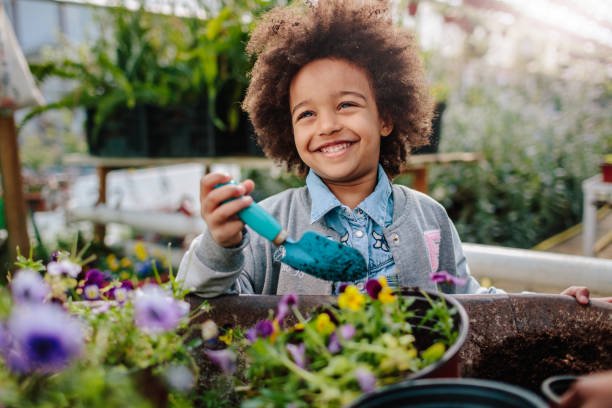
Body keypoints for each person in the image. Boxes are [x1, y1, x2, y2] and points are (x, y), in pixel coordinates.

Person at [177, 0, 591, 303]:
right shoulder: (271, 225)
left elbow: (470, 300)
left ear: (386, 118)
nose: (327, 126)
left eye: (346, 105)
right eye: (306, 114)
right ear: (287, 130)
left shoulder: (430, 218)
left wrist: (552, 304)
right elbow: (205, 296)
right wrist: (221, 244)